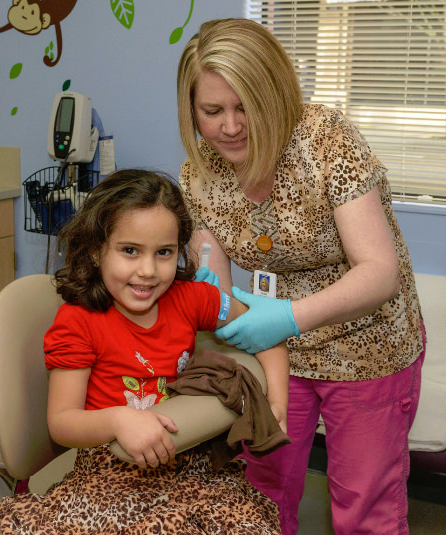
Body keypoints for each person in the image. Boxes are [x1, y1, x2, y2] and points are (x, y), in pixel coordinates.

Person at [176, 18, 426, 535]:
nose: (229, 126)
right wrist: (208, 321)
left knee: (365, 511)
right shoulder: (198, 171)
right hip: (275, 356)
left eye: (244, 106)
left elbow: (380, 273)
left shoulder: (325, 140)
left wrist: (288, 317)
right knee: (261, 496)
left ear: (273, 92)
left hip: (366, 345)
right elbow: (212, 282)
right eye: (212, 110)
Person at [0, 169, 289, 534]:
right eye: (130, 251)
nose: (148, 271)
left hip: (187, 461)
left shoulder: (193, 298)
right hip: (112, 470)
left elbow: (268, 335)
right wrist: (120, 420)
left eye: (163, 253)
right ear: (96, 249)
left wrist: (277, 401)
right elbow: (62, 422)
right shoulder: (78, 322)